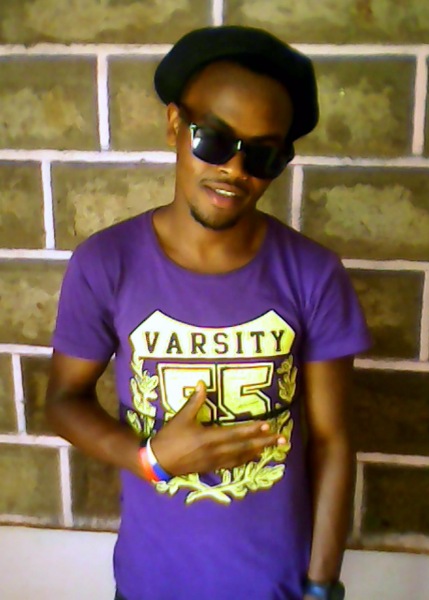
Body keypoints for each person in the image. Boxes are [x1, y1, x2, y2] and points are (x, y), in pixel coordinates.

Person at [46, 26, 371, 600]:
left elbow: (332, 441)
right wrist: (149, 459)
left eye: (263, 154)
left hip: (276, 586)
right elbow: (63, 400)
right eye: (215, 140)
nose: (236, 169)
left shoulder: (313, 274)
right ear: (175, 124)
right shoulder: (107, 262)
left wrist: (322, 587)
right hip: (151, 583)